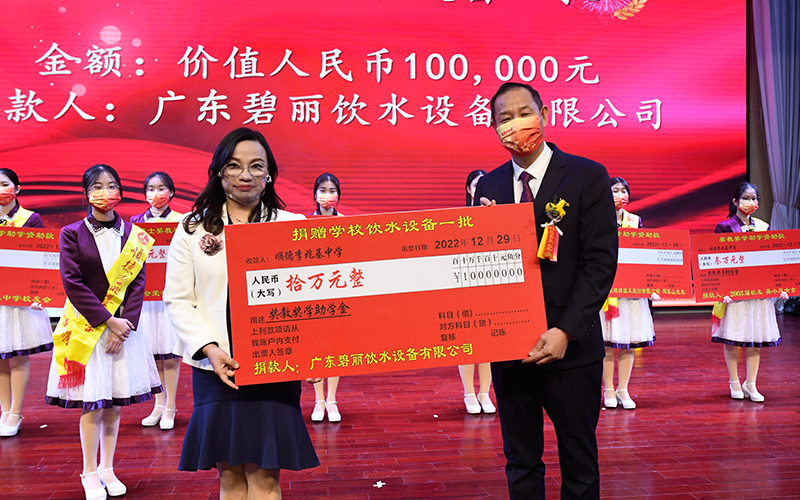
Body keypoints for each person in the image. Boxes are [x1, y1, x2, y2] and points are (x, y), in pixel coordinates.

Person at [473, 82, 618, 499]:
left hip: (571, 349)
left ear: (544, 114)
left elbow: (600, 263)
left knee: (578, 460)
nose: (516, 124)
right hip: (511, 350)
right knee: (520, 462)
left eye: (524, 113)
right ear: (494, 128)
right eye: (504, 118)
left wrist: (566, 330)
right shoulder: (488, 187)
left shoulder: (587, 176)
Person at [163, 127, 319, 500]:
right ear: (219, 171)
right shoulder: (191, 229)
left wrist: (314, 352)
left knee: (265, 479)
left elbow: (311, 300)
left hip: (275, 365)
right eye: (234, 165)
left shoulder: (292, 226)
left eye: (256, 166)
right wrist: (210, 348)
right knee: (230, 479)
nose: (245, 175)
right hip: (216, 369)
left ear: (269, 174)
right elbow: (178, 299)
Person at [44, 164, 162, 500]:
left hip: (124, 331)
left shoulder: (135, 235)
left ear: (120, 191)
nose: (105, 192)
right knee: (92, 404)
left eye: (111, 185)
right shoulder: (71, 233)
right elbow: (73, 284)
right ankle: (89, 472)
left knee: (114, 404)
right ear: (86, 192)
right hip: (88, 328)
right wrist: (108, 321)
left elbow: (137, 284)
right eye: (97, 186)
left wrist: (124, 327)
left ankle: (108, 467)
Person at [713, 182, 785, 402]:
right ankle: (734, 381)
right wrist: (721, 289)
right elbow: (716, 262)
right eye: (746, 198)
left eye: (754, 198)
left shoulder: (763, 227)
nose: (751, 202)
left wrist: (781, 286)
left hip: (758, 293)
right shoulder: (724, 227)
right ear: (735, 201)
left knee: (756, 338)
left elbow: (772, 261)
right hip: (734, 294)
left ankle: (751, 384)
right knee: (733, 337)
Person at [0, 168, 53, 438]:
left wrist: (37, 293)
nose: (0, 190)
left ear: (17, 188)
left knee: (18, 354)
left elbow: (37, 261)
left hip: (19, 299)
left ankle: (16, 411)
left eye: (5, 184)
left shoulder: (30, 219)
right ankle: (5, 410)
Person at [600, 177, 658, 410]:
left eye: (624, 191)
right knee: (607, 344)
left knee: (628, 342)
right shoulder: (597, 217)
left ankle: (623, 389)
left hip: (631, 290)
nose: (620, 195)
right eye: (615, 190)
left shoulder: (635, 220)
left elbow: (643, 253)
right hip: (607, 290)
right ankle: (608, 389)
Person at [131, 172, 183, 430]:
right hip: (146, 297)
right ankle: (159, 404)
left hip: (171, 295)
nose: (155, 194)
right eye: (150, 189)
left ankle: (171, 406)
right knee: (153, 353)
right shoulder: (135, 222)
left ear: (171, 192)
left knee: (170, 354)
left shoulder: (182, 221)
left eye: (161, 188)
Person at [459, 169, 496, 414]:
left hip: (490, 289)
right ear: (468, 190)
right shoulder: (458, 220)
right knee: (467, 343)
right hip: (465, 290)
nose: (480, 189)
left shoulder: (496, 217)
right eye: (475, 185)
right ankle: (469, 393)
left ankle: (485, 392)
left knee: (489, 345)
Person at [309, 173, 345, 423]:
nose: (327, 195)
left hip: (337, 292)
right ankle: (318, 400)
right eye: (323, 190)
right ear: (315, 194)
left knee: (335, 348)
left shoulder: (345, 224)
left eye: (332, 191)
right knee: (315, 348)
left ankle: (331, 399)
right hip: (313, 293)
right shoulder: (303, 223)